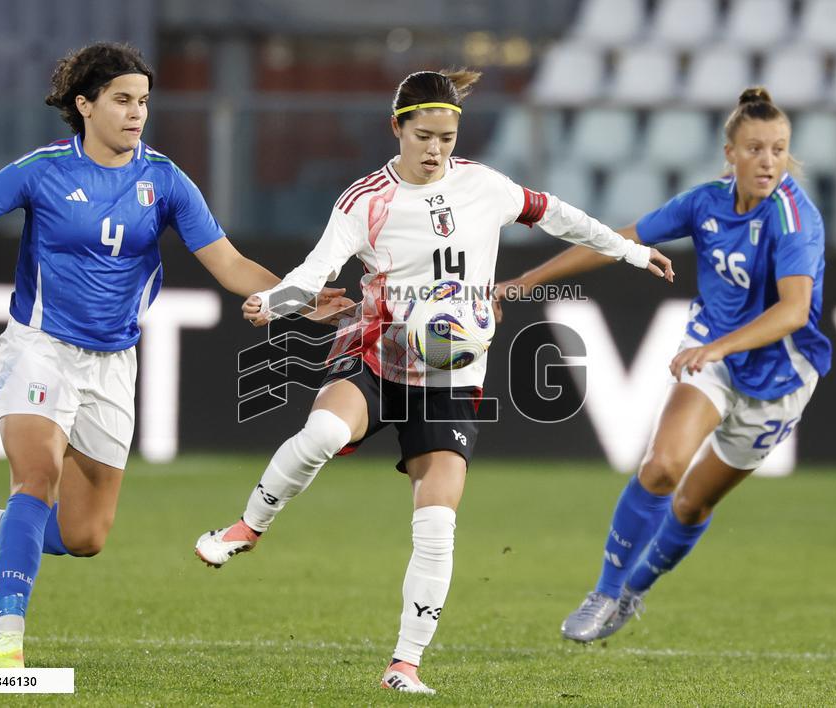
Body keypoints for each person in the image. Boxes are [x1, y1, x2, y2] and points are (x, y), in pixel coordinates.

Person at [193, 69, 674, 694]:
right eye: (423, 136)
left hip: (451, 375)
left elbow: (562, 217)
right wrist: (275, 303)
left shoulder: (485, 186)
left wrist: (632, 252)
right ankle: (247, 527)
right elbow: (313, 274)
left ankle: (404, 665)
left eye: (446, 137)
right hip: (376, 351)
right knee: (322, 434)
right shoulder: (364, 201)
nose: (435, 150)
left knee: (439, 522)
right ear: (397, 128)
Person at [0, 42, 348, 669]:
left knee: (86, 536)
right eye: (122, 100)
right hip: (39, 347)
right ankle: (6, 642)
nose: (136, 113)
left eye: (143, 101)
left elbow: (228, 263)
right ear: (84, 104)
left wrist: (293, 299)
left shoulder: (166, 181)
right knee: (35, 481)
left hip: (113, 363)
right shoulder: (42, 170)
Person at [496, 87, 832, 643]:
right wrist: (526, 281)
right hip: (713, 357)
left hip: (779, 378)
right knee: (661, 467)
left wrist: (719, 348)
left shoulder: (797, 219)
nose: (768, 160)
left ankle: (635, 591)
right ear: (730, 153)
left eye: (778, 149)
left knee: (694, 502)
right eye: (755, 148)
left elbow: (794, 311)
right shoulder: (704, 203)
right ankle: (604, 591)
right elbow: (617, 241)